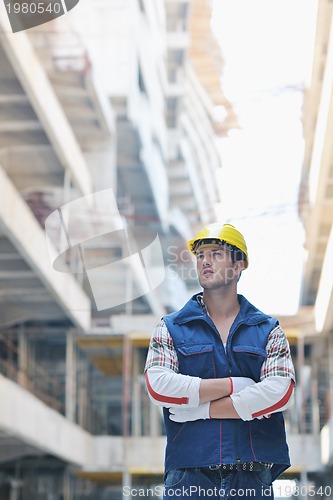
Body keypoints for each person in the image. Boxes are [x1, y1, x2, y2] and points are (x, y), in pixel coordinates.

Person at [144, 223, 295, 500]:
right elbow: (158, 386)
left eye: (216, 254)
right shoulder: (170, 327)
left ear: (238, 266)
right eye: (201, 255)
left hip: (251, 472)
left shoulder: (268, 330)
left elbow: (280, 392)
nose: (205, 261)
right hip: (190, 472)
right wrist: (235, 385)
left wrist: (201, 410)